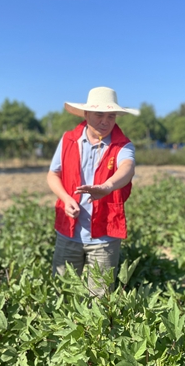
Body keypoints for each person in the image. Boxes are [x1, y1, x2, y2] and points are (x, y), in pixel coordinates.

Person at [47, 86, 139, 296]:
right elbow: (53, 174)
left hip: (105, 234)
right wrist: (66, 198)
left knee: (100, 297)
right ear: (86, 114)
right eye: (99, 114)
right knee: (62, 293)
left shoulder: (123, 145)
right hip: (69, 230)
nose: (105, 121)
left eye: (111, 116)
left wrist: (107, 186)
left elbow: (127, 168)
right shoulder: (68, 140)